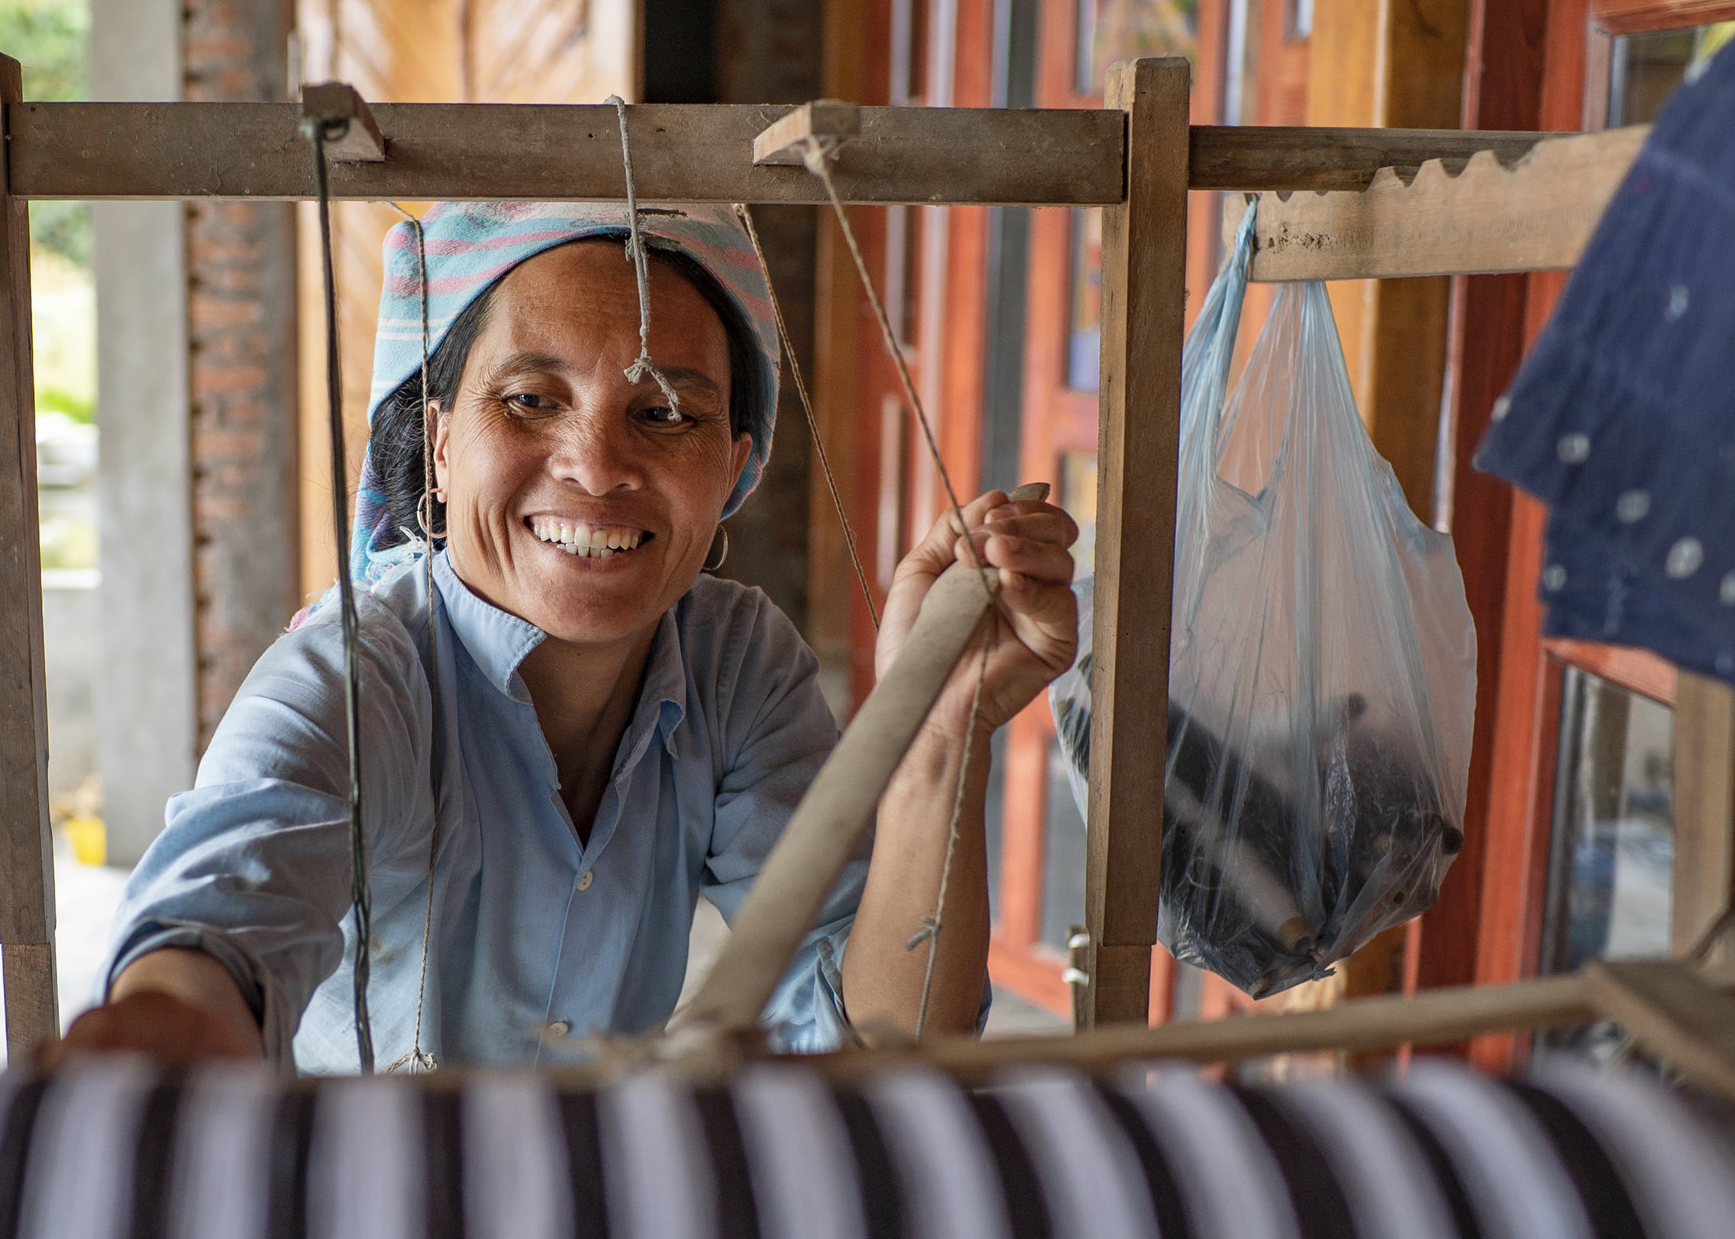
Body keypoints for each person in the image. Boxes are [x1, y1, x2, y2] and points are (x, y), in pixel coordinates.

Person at [68, 202, 1079, 1072]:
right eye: (528, 399)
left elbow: (886, 1040)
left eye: (666, 411)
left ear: (732, 470)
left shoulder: (736, 662)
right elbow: (220, 914)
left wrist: (940, 727)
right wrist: (164, 1020)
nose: (596, 465)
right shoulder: (356, 670)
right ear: (443, 440)